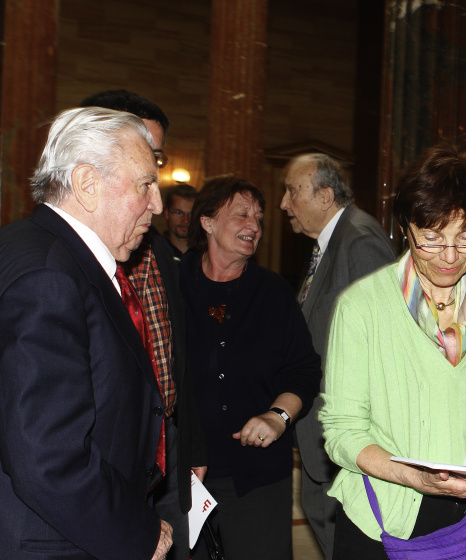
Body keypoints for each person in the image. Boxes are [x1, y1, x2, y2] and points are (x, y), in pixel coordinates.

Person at [319, 143, 466, 559]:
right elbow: (342, 432)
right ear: (406, 228)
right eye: (432, 238)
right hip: (381, 517)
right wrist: (415, 477)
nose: (450, 256)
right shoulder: (362, 307)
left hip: (465, 519)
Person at [0, 107, 172, 560]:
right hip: (49, 541)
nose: (156, 205)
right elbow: (49, 459)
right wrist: (136, 534)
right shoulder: (48, 277)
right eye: (145, 184)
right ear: (86, 183)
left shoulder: (21, 244)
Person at [80, 89, 207, 560]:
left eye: (157, 157)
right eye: (143, 153)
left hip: (166, 437)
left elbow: (178, 355)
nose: (153, 177)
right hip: (105, 446)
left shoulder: (157, 252)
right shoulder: (63, 257)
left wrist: (191, 446)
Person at [182, 175, 321, 559]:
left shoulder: (273, 292)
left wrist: (278, 417)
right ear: (207, 221)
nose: (254, 226)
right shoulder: (173, 285)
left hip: (257, 475)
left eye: (258, 218)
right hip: (183, 474)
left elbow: (305, 369)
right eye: (242, 214)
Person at [280, 152, 396, 559]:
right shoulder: (332, 242)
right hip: (325, 431)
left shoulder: (360, 241)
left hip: (348, 434)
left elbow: (383, 342)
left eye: (292, 191)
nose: (284, 203)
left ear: (325, 196)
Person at [163, 184, 198, 258]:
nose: (185, 220)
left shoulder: (206, 254)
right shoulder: (155, 252)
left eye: (191, 214)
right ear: (166, 213)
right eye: (178, 213)